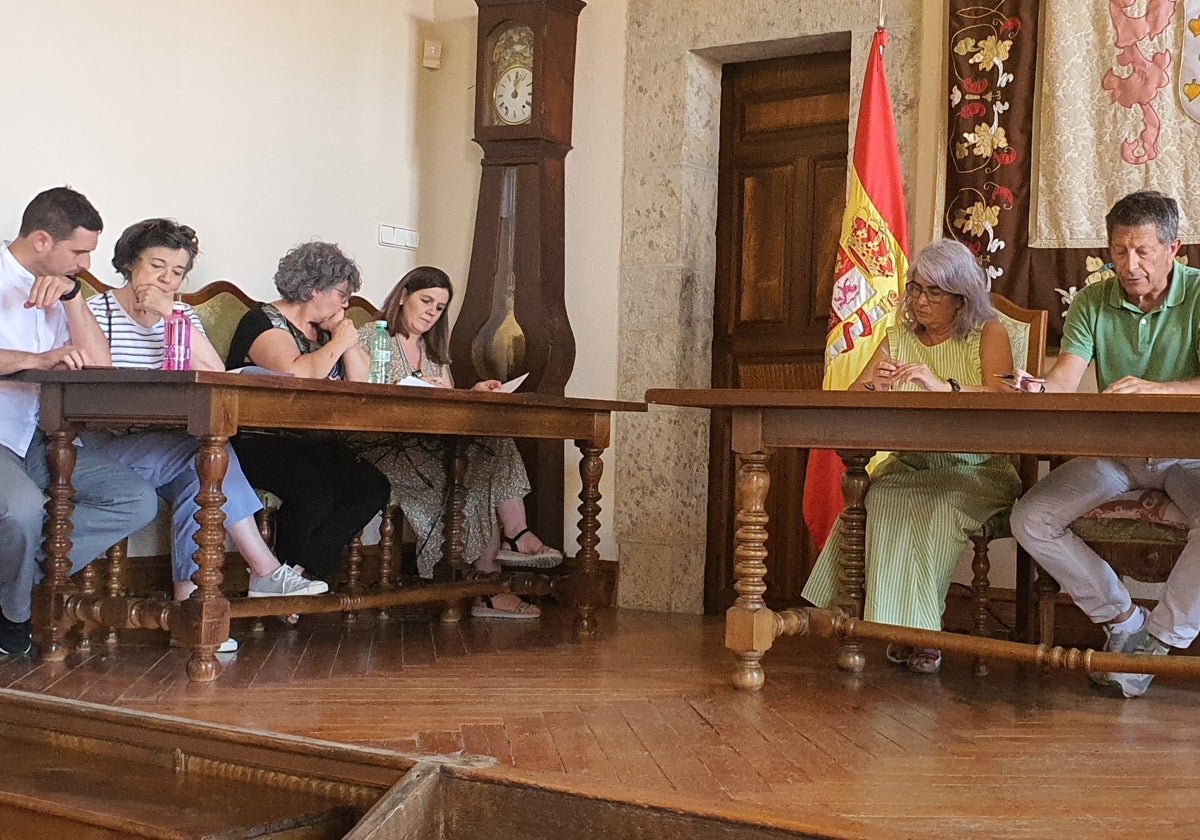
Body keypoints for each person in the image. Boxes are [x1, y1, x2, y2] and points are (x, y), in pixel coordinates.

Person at [83, 219, 329, 653]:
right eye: (156, 266)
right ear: (127, 264)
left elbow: (217, 378)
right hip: (109, 443)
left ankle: (191, 614)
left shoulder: (180, 315)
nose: (166, 279)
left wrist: (169, 315)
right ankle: (265, 570)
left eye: (177, 272)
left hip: (170, 443)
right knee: (203, 458)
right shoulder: (96, 311)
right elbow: (98, 391)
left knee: (203, 476)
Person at [1010, 190, 1200, 698]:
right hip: (1117, 453)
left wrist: (1156, 389)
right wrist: (1036, 387)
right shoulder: (1094, 300)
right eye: (1119, 251)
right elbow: (1064, 381)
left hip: (1189, 457)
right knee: (1030, 518)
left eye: (1142, 251)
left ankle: (1158, 641)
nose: (1129, 264)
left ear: (1174, 248)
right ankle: (1123, 617)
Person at [801, 239, 1021, 674]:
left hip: (975, 469)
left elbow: (1004, 396)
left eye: (933, 292)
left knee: (936, 509)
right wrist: (874, 385)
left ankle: (923, 637)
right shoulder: (898, 337)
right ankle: (886, 628)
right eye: (916, 289)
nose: (920, 301)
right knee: (875, 500)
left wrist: (945, 388)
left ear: (962, 298)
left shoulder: (988, 333)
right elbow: (852, 398)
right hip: (911, 465)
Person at [0, 187, 160, 656]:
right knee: (23, 510)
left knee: (134, 500)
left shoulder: (62, 285)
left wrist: (73, 297)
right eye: (80, 252)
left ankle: (14, 584)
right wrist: (38, 358)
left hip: (41, 437)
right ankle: (14, 615)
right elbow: (43, 359)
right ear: (44, 240)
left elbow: (100, 365)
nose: (88, 263)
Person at [356, 266, 561, 620]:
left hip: (431, 442)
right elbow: (362, 397)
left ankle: (514, 536)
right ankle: (488, 586)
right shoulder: (371, 337)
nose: (431, 313)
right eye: (425, 301)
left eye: (439, 308)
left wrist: (473, 393)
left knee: (495, 444)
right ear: (403, 295)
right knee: (468, 475)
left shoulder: (433, 350)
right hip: (386, 444)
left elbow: (445, 405)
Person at [225, 241, 390, 580]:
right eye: (341, 294)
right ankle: (286, 581)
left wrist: (347, 339)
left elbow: (363, 384)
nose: (346, 304)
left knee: (371, 486)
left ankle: (298, 572)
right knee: (314, 492)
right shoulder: (262, 321)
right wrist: (340, 342)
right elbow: (296, 373)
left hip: (310, 440)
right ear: (315, 289)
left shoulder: (326, 333)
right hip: (257, 440)